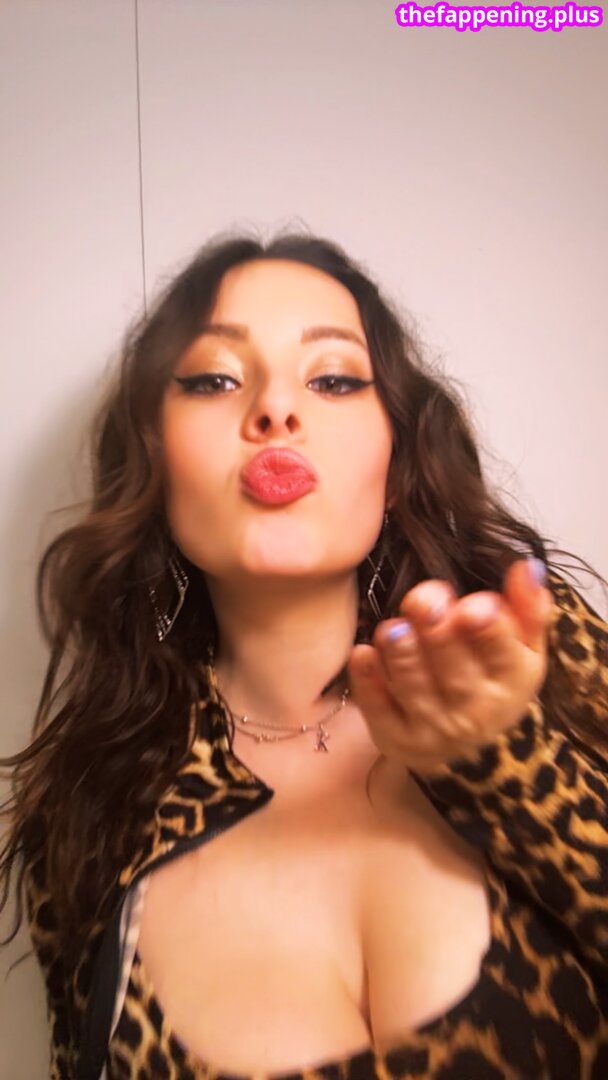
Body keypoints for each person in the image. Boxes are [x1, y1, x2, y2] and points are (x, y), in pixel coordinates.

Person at [1, 229, 607, 1080]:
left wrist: (503, 760)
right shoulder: (94, 816)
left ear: (396, 455)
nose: (275, 412)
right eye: (214, 379)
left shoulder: (535, 659)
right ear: (154, 457)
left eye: (334, 379)